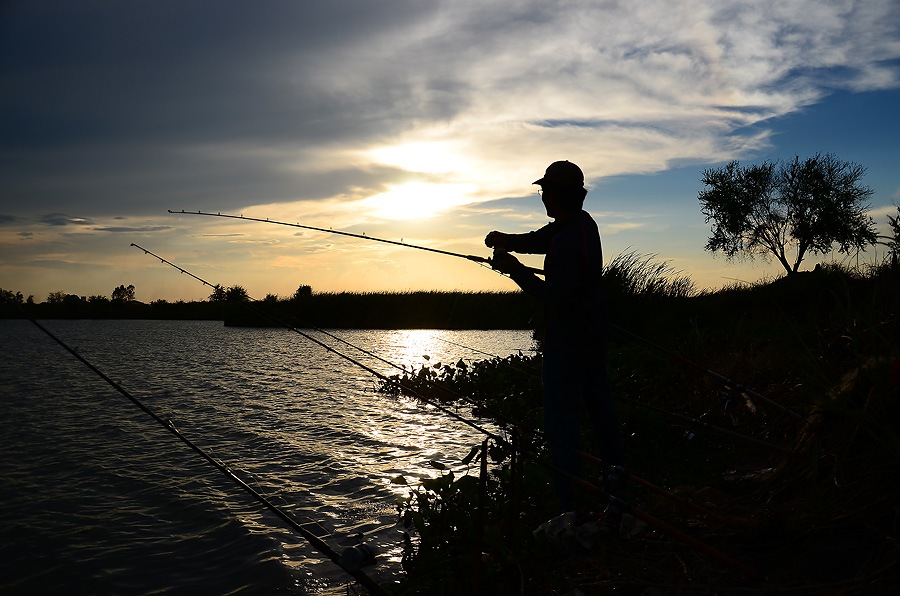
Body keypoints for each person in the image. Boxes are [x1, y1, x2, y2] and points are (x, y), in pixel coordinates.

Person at [486, 160, 624, 513]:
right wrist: (507, 242)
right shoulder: (580, 225)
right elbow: (540, 239)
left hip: (568, 344)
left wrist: (514, 270)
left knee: (562, 426)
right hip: (594, 337)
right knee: (601, 413)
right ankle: (616, 483)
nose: (542, 195)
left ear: (558, 194)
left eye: (545, 190)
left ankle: (568, 505)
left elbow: (555, 298)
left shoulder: (565, 239)